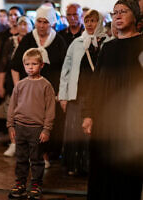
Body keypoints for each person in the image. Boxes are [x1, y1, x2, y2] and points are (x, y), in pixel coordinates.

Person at [82, 0, 143, 199]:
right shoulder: (107, 48)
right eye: (114, 12)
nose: (117, 15)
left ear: (135, 16)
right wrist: (89, 114)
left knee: (126, 173)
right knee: (101, 169)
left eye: (123, 11)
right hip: (104, 119)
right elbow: (95, 83)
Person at [11, 6, 67, 162]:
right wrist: (18, 88)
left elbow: (64, 70)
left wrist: (61, 92)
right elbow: (15, 66)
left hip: (50, 91)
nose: (42, 25)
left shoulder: (59, 41)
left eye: (45, 22)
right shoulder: (29, 38)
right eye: (39, 21)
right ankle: (31, 154)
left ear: (52, 23)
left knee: (47, 124)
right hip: (29, 91)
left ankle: (45, 155)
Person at [58, 10, 108, 176]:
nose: (89, 24)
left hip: (99, 94)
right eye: (87, 21)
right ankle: (75, 165)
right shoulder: (77, 43)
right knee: (75, 130)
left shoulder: (108, 42)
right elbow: (65, 70)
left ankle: (92, 166)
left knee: (94, 131)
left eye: (93, 21)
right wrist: (63, 96)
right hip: (77, 94)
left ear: (100, 22)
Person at [7, 48, 55, 200]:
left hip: (37, 129)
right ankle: (20, 183)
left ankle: (36, 184)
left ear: (41, 65)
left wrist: (46, 130)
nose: (30, 67)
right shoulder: (20, 85)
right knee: (21, 158)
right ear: (23, 65)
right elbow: (12, 106)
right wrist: (10, 126)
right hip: (20, 127)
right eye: (27, 64)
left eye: (34, 64)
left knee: (36, 159)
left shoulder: (46, 85)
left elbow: (50, 110)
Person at [0, 16, 33, 157]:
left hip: (30, 83)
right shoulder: (10, 42)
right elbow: (2, 64)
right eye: (21, 24)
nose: (23, 27)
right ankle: (13, 143)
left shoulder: (34, 42)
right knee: (11, 114)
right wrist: (0, 84)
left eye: (26, 24)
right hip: (11, 82)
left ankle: (28, 145)